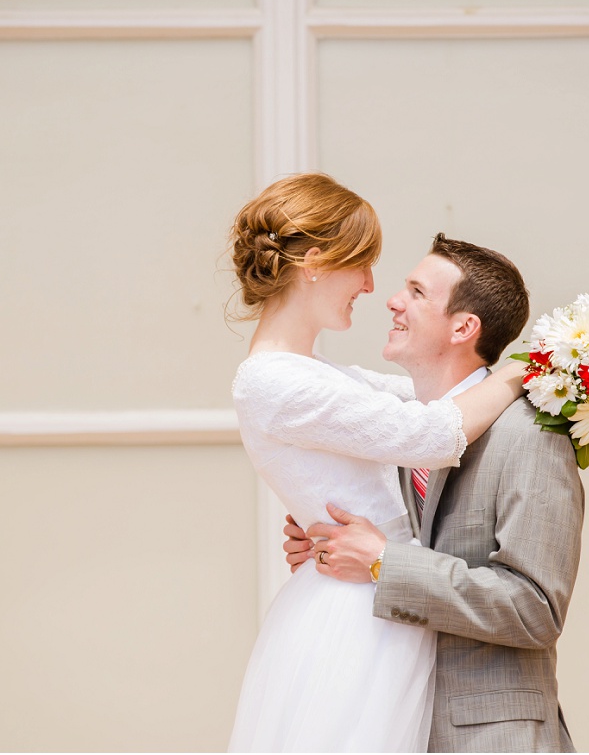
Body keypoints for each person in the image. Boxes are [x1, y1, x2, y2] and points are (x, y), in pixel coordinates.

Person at [226, 174, 528, 752]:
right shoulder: (273, 380)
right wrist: (518, 371)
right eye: (362, 265)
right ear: (314, 262)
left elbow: (428, 397)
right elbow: (435, 432)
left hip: (375, 593)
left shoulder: (313, 371)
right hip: (356, 617)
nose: (370, 286)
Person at [285, 234, 585, 752]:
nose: (393, 301)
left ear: (464, 328)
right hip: (403, 725)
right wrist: (325, 541)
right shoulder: (409, 434)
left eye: (417, 292)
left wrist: (384, 563)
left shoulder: (530, 436)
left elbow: (535, 608)